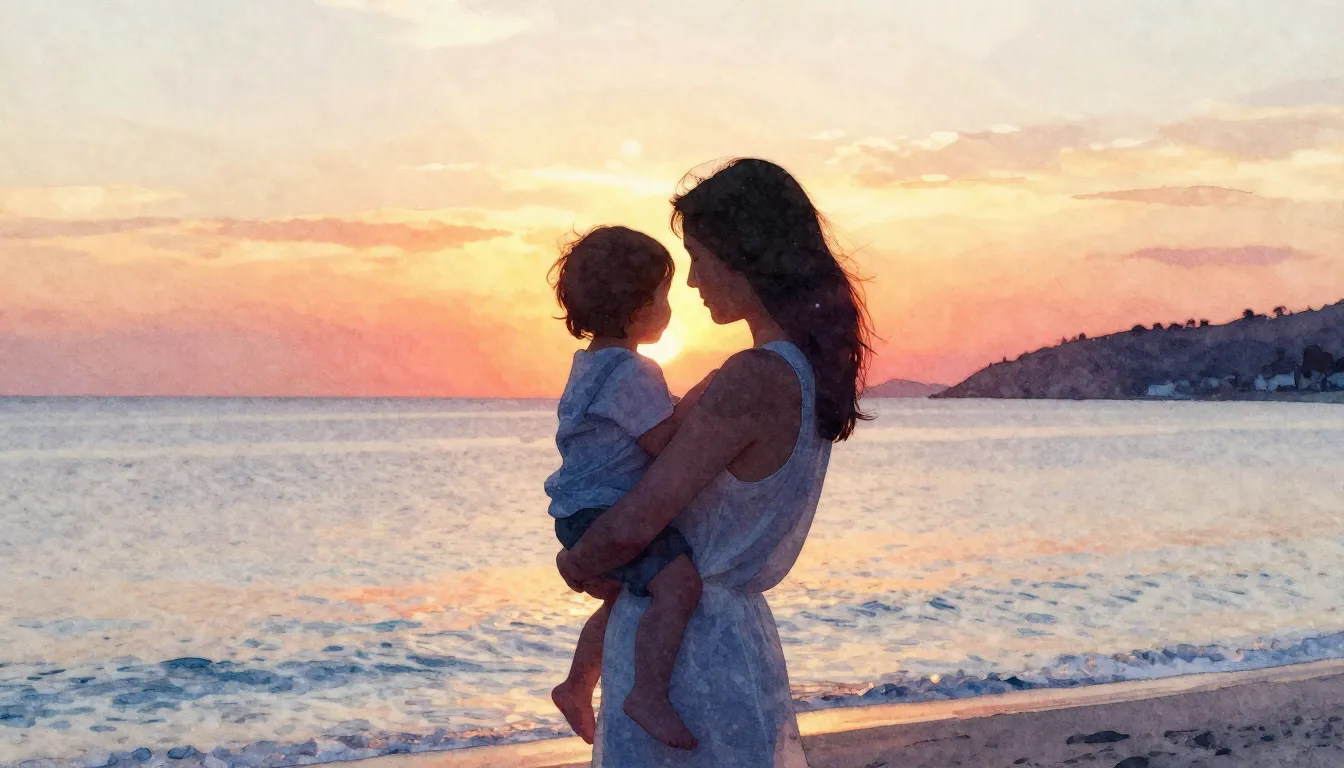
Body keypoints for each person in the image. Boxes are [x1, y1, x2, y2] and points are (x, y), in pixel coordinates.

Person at [556, 158, 873, 766]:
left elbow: (636, 521)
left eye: (699, 258)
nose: (694, 280)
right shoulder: (801, 370)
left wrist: (575, 562)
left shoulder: (754, 378)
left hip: (686, 655)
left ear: (744, 254)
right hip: (725, 639)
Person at [544, 225, 714, 750]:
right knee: (680, 587)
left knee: (621, 597)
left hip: (576, 513)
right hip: (606, 512)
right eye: (663, 295)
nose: (669, 308)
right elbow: (662, 442)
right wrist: (703, 396)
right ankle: (648, 694)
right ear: (636, 306)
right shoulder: (631, 371)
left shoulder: (590, 363)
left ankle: (577, 685)